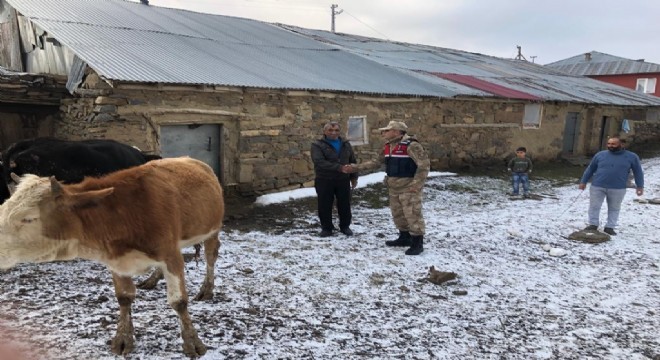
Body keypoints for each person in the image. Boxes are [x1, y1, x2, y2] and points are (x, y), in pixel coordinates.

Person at [350, 120, 430, 255]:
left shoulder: (412, 146)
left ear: (397, 132)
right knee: (398, 213)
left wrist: (416, 185)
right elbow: (376, 162)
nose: (383, 133)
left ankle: (417, 243)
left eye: (387, 130)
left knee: (412, 214)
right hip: (393, 186)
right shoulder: (388, 146)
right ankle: (404, 237)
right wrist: (355, 167)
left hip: (408, 186)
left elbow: (424, 166)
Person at [579, 136, 644, 235]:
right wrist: (583, 182)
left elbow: (638, 172)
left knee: (614, 208)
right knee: (594, 206)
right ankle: (593, 224)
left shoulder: (632, 156)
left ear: (621, 144)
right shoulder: (600, 155)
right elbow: (590, 169)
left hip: (618, 188)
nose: (610, 146)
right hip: (597, 186)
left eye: (613, 144)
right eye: (609, 144)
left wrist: (640, 186)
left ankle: (610, 227)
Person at [310, 121, 358, 237]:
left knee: (344, 204)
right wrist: (339, 167)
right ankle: (327, 228)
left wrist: (354, 176)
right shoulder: (317, 145)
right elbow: (319, 162)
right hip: (325, 179)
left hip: (343, 179)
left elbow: (352, 160)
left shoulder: (345, 144)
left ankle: (345, 226)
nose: (333, 133)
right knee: (324, 204)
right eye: (330, 130)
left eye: (336, 130)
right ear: (324, 132)